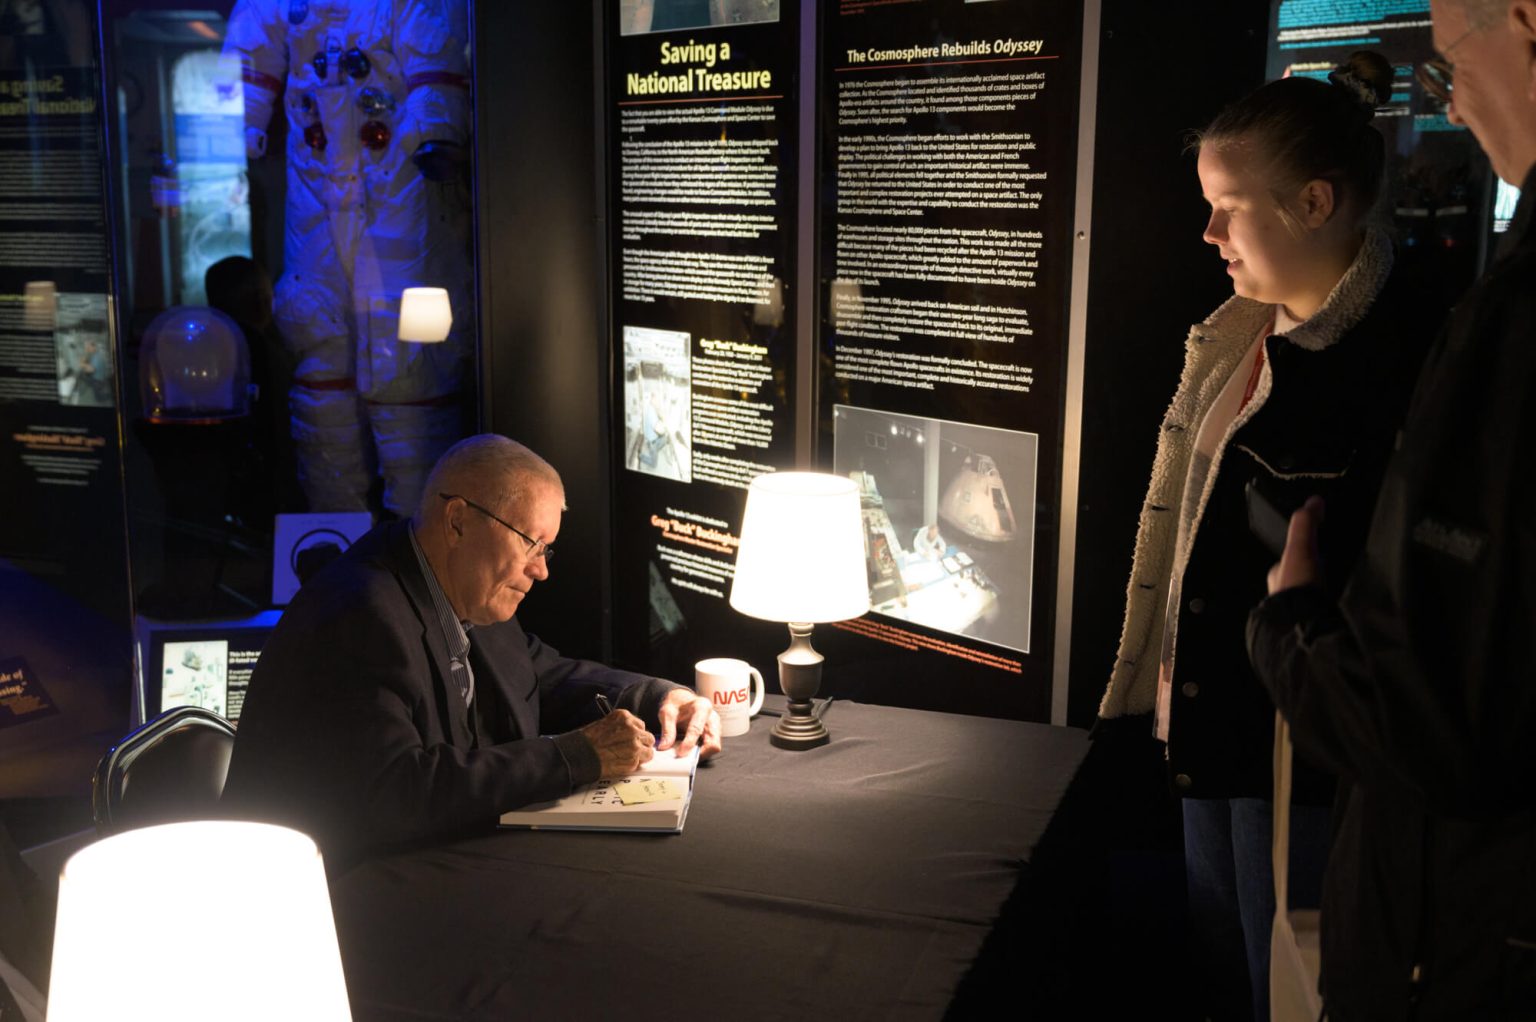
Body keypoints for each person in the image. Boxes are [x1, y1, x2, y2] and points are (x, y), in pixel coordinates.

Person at [1095, 53, 1438, 1020]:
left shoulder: (1407, 366)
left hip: (1300, 751)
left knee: (1282, 984)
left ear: (1316, 202)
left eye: (1229, 208)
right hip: (1214, 719)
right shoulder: (1238, 334)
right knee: (1223, 964)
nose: (1208, 233)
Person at [1248, 1, 1536, 1016]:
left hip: (1467, 929)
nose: (1453, 97)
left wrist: (1289, 624)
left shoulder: (1500, 323)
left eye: (1453, 57)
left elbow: (1432, 717)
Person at [222, 434, 721, 866]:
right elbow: (397, 790)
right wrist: (572, 756)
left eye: (547, 549)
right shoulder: (360, 617)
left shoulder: (459, 583)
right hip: (329, 888)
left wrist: (657, 696)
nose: (542, 570)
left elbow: (536, 673)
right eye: (530, 543)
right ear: (458, 520)